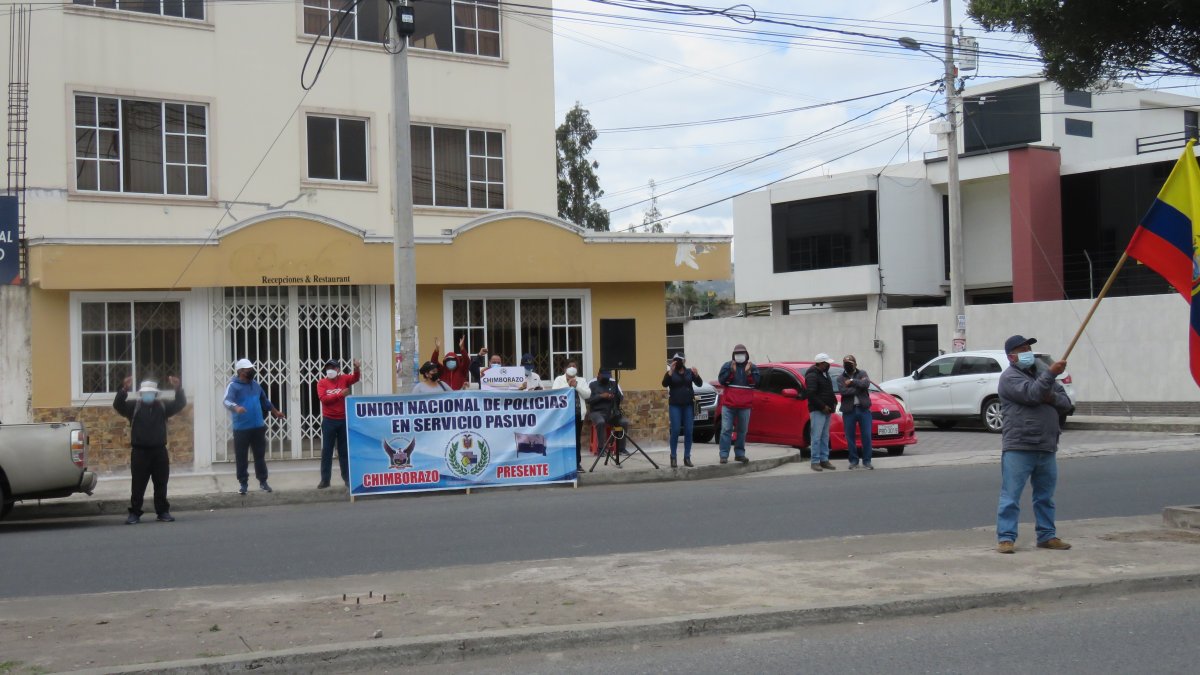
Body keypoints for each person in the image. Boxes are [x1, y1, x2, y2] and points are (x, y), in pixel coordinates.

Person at [995, 335, 1073, 554]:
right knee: (1011, 495)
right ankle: (1006, 538)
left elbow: (1065, 402)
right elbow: (1032, 394)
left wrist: (1048, 392)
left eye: (1029, 347)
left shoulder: (1040, 374)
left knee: (1045, 496)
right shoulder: (1009, 377)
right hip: (1020, 445)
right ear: (1011, 356)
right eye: (1022, 349)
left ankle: (1047, 536)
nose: (1028, 351)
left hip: (1046, 445)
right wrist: (1050, 376)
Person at [113, 376, 186, 524]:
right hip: (140, 452)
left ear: (155, 394)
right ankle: (135, 513)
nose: (148, 395)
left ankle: (162, 511)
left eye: (151, 393)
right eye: (145, 393)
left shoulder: (163, 407)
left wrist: (178, 388)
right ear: (141, 394)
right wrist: (124, 389)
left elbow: (180, 403)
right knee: (138, 485)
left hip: (159, 452)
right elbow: (118, 404)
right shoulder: (133, 407)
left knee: (161, 483)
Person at [223, 358, 286, 495]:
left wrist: (275, 412)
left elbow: (265, 401)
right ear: (240, 371)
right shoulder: (233, 386)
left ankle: (263, 482)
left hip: (258, 426)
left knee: (259, 456)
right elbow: (226, 401)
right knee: (241, 457)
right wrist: (236, 407)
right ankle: (243, 483)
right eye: (248, 370)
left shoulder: (255, 385)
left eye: (251, 369)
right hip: (241, 428)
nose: (251, 371)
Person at [316, 358, 361, 489]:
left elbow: (355, 378)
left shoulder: (344, 379)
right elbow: (324, 399)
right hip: (329, 420)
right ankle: (325, 480)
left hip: (343, 420)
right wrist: (340, 395)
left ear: (338, 369)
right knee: (327, 451)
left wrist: (357, 368)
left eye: (333, 368)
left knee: (343, 451)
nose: (330, 370)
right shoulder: (322, 383)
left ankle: (347, 479)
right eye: (328, 368)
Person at [717, 343, 759, 464]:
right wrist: (732, 371)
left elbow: (756, 383)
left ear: (746, 355)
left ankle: (740, 454)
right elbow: (722, 381)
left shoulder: (752, 367)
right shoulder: (727, 365)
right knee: (726, 429)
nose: (739, 356)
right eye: (737, 353)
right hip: (729, 404)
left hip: (745, 405)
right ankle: (723, 454)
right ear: (733, 355)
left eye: (742, 353)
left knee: (742, 430)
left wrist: (748, 373)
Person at [663, 353, 702, 468]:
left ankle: (687, 457)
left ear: (684, 361)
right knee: (675, 430)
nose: (678, 362)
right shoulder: (671, 373)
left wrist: (697, 374)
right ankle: (673, 457)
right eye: (676, 360)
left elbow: (699, 384)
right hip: (675, 406)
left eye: (680, 360)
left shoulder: (689, 372)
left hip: (688, 405)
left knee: (689, 431)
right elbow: (664, 383)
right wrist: (670, 371)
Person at [552, 359, 591, 471]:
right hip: (564, 415)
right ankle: (563, 463)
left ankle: (577, 463)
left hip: (578, 413)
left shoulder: (581, 380)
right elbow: (555, 394)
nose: (572, 367)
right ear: (565, 369)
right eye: (570, 366)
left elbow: (587, 394)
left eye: (574, 365)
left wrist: (576, 386)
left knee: (576, 439)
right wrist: (568, 386)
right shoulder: (559, 379)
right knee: (564, 439)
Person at [839, 355, 874, 470]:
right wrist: (859, 386)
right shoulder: (841, 378)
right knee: (850, 437)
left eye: (850, 363)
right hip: (849, 410)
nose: (847, 365)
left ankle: (867, 461)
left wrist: (853, 381)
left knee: (867, 436)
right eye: (845, 363)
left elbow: (866, 384)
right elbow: (843, 391)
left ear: (855, 364)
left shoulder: (862, 373)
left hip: (864, 409)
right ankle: (853, 461)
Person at [804, 353, 838, 472]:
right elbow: (811, 394)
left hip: (827, 409)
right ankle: (815, 461)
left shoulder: (825, 374)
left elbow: (829, 390)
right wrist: (822, 406)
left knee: (825, 436)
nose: (829, 365)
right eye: (827, 363)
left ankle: (824, 459)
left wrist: (833, 402)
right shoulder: (812, 375)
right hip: (818, 410)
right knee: (816, 437)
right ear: (821, 363)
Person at [587, 368, 630, 457]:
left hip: (611, 412)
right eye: (604, 377)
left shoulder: (614, 382)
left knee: (624, 422)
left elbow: (621, 398)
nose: (607, 379)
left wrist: (614, 396)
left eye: (608, 377)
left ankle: (621, 449)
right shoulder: (592, 383)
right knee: (600, 422)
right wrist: (601, 396)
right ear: (599, 374)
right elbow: (588, 400)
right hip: (597, 412)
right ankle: (601, 449)